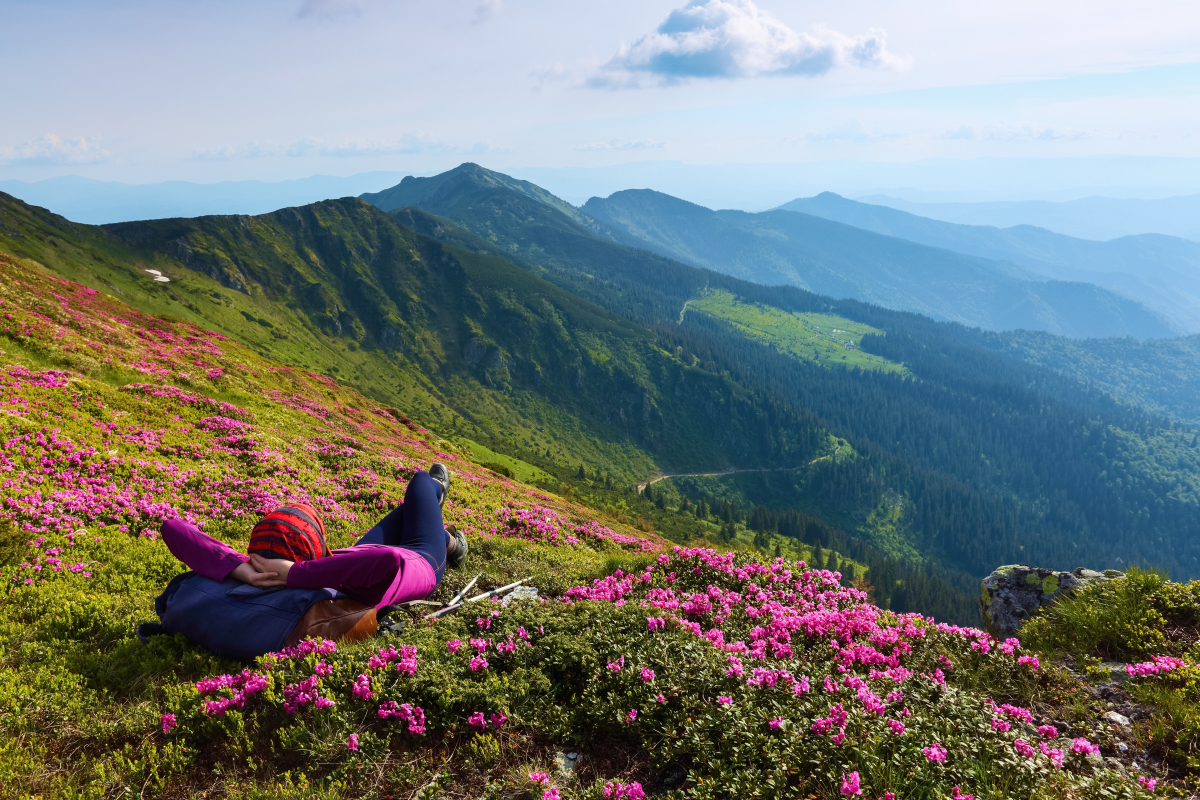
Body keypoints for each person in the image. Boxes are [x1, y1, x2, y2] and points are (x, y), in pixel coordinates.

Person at [145, 464, 467, 660]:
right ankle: (451, 543)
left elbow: (173, 527)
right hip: (420, 560)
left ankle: (438, 526)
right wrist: (297, 574)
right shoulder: (324, 584)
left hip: (352, 559)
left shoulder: (259, 569)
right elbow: (387, 560)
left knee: (406, 512)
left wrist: (240, 569)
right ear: (311, 556)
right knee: (420, 484)